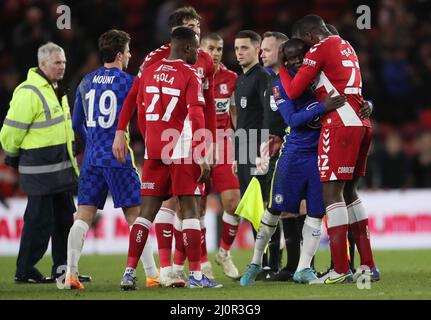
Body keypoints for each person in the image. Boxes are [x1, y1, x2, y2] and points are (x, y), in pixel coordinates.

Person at [112, 6, 217, 286]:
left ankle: (129, 272)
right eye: (193, 43)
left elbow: (135, 100)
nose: (198, 49)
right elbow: (196, 114)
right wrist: (201, 150)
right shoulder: (188, 73)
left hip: (154, 149)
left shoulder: (150, 70)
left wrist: (134, 132)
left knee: (146, 212)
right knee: (190, 209)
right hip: (182, 147)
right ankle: (196, 274)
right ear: (183, 45)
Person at [279, 14, 380, 284]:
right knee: (350, 192)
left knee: (331, 192)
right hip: (361, 122)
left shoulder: (321, 47)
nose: (303, 54)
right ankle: (367, 266)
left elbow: (293, 90)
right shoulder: (347, 44)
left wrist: (281, 68)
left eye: (304, 46)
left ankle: (340, 268)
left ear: (311, 37)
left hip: (340, 124)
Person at [240, 38, 347, 286]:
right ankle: (256, 262)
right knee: (274, 209)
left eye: (302, 56)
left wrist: (368, 106)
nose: (298, 61)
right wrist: (322, 107)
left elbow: (349, 98)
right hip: (293, 156)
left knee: (316, 213)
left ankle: (303, 268)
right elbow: (292, 119)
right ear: (285, 60)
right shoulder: (279, 86)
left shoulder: (321, 79)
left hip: (320, 155)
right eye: (292, 58)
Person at [64, 30, 159, 290]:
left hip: (92, 158)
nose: (130, 55)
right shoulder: (128, 82)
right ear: (119, 54)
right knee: (136, 215)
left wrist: (92, 144)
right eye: (128, 51)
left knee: (82, 215)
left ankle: (70, 274)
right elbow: (141, 119)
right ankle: (152, 274)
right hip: (118, 157)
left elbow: (75, 124)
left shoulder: (86, 81)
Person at [0, 42, 89, 284]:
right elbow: (9, 133)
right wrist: (12, 155)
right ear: (42, 64)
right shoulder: (29, 92)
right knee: (39, 222)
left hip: (60, 170)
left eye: (63, 62)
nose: (62, 67)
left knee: (63, 221)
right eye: (57, 63)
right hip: (39, 171)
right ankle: (24, 270)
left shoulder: (55, 89)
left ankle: (63, 268)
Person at [260, 31, 305, 281]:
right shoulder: (269, 81)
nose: (262, 54)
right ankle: (291, 266)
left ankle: (300, 266)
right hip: (278, 152)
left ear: (281, 51)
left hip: (301, 149)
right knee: (285, 208)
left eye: (267, 49)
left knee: (304, 208)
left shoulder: (297, 80)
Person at [232, 30, 273, 278]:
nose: (239, 52)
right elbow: (242, 121)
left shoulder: (262, 78)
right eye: (237, 48)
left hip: (258, 148)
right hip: (244, 147)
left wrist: (264, 149)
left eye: (244, 48)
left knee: (264, 206)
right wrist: (238, 153)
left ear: (257, 49)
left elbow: (268, 115)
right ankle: (261, 260)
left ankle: (268, 262)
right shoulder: (240, 80)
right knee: (252, 208)